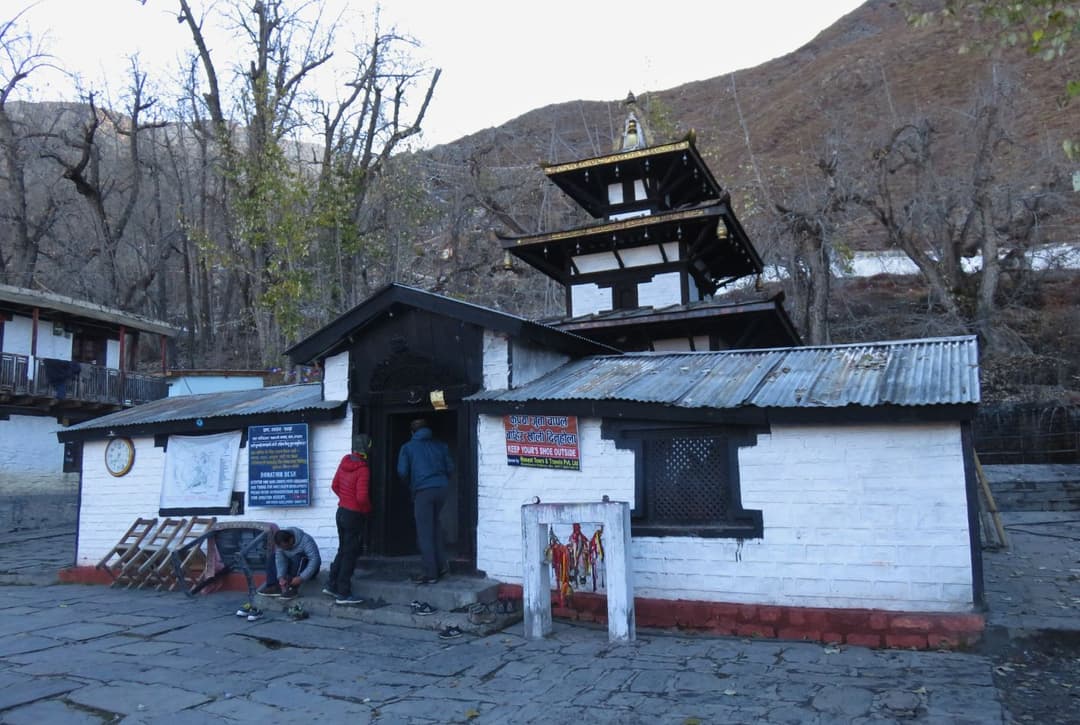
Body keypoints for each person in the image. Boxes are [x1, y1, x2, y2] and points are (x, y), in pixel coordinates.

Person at [397, 418, 453, 584]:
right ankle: (441, 567)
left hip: (423, 491)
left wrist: (411, 484)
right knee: (435, 527)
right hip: (442, 489)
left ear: (412, 432)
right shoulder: (440, 445)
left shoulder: (408, 447)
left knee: (425, 532)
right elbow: (450, 468)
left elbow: (402, 471)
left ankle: (431, 573)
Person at [324, 434, 372, 605]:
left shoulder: (344, 462)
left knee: (343, 549)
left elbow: (334, 485)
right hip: (354, 514)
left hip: (341, 511)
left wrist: (345, 499)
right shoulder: (363, 469)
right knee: (350, 553)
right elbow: (362, 497)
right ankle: (343, 593)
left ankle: (331, 584)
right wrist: (366, 510)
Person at [259, 527, 321, 600]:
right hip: (293, 568)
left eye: (285, 546)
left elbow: (315, 560)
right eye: (281, 547)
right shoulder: (281, 545)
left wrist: (301, 577)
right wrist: (281, 577)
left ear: (291, 539)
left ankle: (292, 589)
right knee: (273, 557)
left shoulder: (306, 540)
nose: (284, 549)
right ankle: (275, 586)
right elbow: (280, 560)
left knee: (298, 557)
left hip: (309, 570)